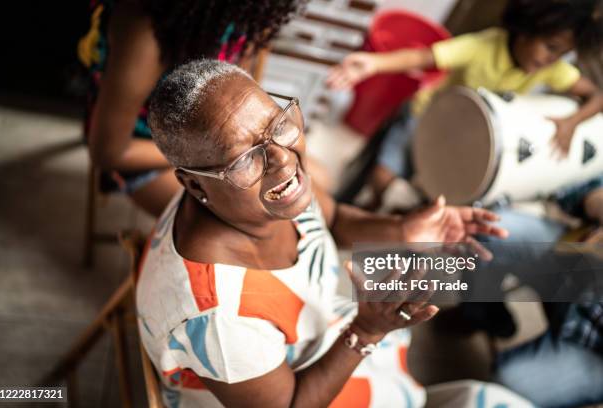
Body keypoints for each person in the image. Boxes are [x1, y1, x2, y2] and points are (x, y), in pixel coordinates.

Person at [134, 59, 528, 407]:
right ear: (196, 185)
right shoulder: (219, 320)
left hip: (323, 338)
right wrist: (365, 332)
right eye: (244, 159)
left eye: (276, 124)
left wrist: (403, 229)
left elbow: (332, 215)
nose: (283, 160)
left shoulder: (247, 198)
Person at [328, 0, 603, 220]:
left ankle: (389, 220)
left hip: (462, 137)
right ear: (527, 28)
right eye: (550, 47)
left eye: (560, 54)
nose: (550, 59)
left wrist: (572, 122)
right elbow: (425, 57)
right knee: (382, 179)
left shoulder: (551, 69)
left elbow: (596, 96)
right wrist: (374, 64)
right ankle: (362, 213)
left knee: (433, 194)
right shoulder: (482, 46)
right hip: (424, 117)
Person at [77, 0, 309, 216]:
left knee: (315, 186)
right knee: (263, 215)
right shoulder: (145, 28)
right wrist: (219, 158)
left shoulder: (246, 17)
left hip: (220, 152)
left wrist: (248, 151)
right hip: (143, 155)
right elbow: (109, 154)